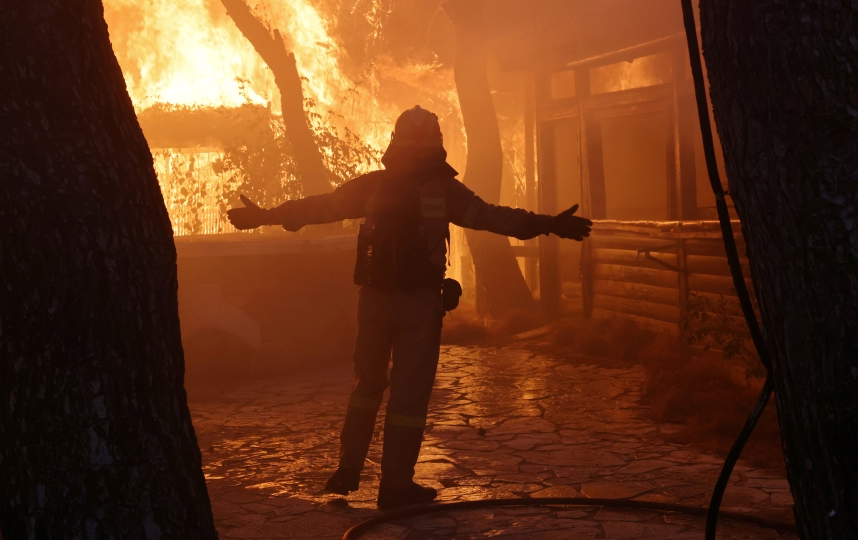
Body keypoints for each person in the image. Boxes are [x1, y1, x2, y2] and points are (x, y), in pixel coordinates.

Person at [227, 105, 591, 509]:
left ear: (394, 143)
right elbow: (493, 218)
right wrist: (550, 224)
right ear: (438, 144)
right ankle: (395, 486)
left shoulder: (374, 187)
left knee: (367, 385)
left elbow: (322, 207)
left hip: (373, 300)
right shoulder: (446, 191)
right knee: (408, 396)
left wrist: (267, 216)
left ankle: (348, 469)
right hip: (418, 305)